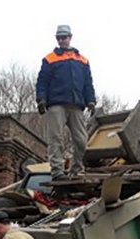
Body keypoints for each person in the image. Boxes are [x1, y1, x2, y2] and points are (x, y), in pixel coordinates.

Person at [35, 24, 96, 180]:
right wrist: (41, 99)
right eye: (59, 37)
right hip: (57, 104)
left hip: (77, 105)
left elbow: (88, 83)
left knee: (82, 140)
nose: (62, 40)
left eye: (64, 37)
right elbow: (42, 81)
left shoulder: (82, 60)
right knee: (56, 138)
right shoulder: (50, 59)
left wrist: (91, 101)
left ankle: (76, 170)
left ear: (70, 37)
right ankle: (57, 171)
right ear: (57, 39)